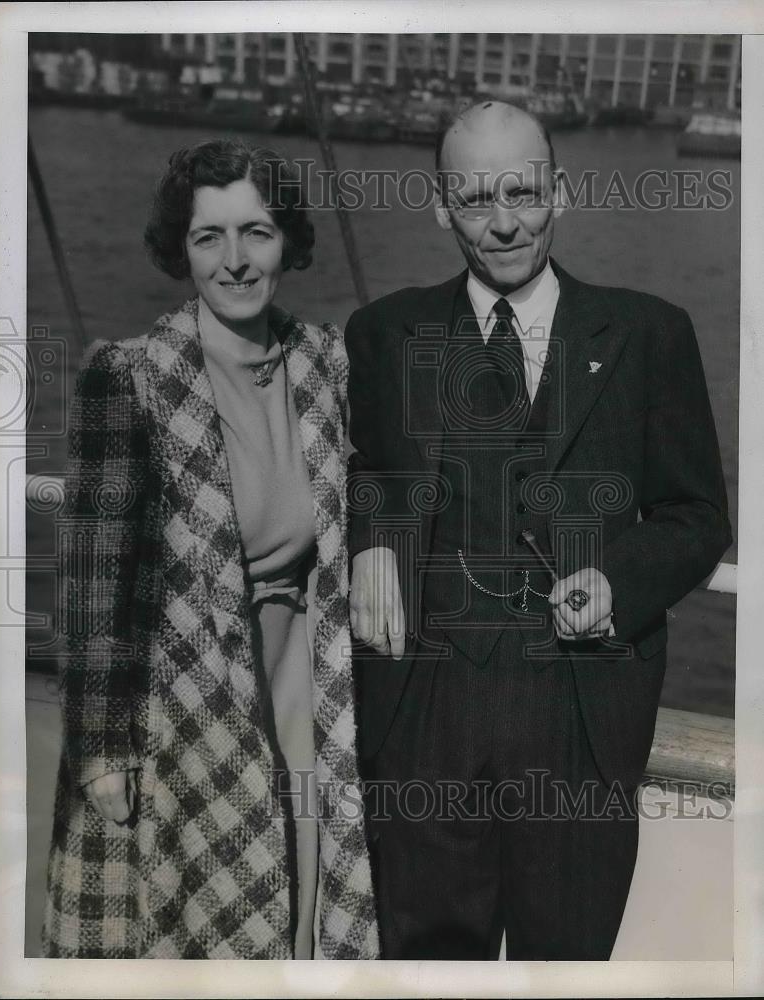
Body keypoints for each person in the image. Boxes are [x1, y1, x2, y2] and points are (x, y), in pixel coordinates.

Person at [345, 101, 732, 960]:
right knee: (429, 975)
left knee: (567, 973)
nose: (507, 221)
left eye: (524, 191)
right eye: (478, 200)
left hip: (580, 721)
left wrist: (618, 582)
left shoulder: (648, 334)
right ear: (443, 206)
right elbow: (355, 471)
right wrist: (372, 535)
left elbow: (698, 517)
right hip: (426, 721)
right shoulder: (382, 334)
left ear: (559, 190)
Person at [42, 139, 379, 960]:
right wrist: (101, 754)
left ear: (288, 244)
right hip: (181, 703)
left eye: (256, 233)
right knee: (193, 927)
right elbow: (92, 587)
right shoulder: (127, 377)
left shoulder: (328, 362)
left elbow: (389, 481)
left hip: (305, 682)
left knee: (299, 902)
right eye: (209, 237)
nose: (235, 261)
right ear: (180, 249)